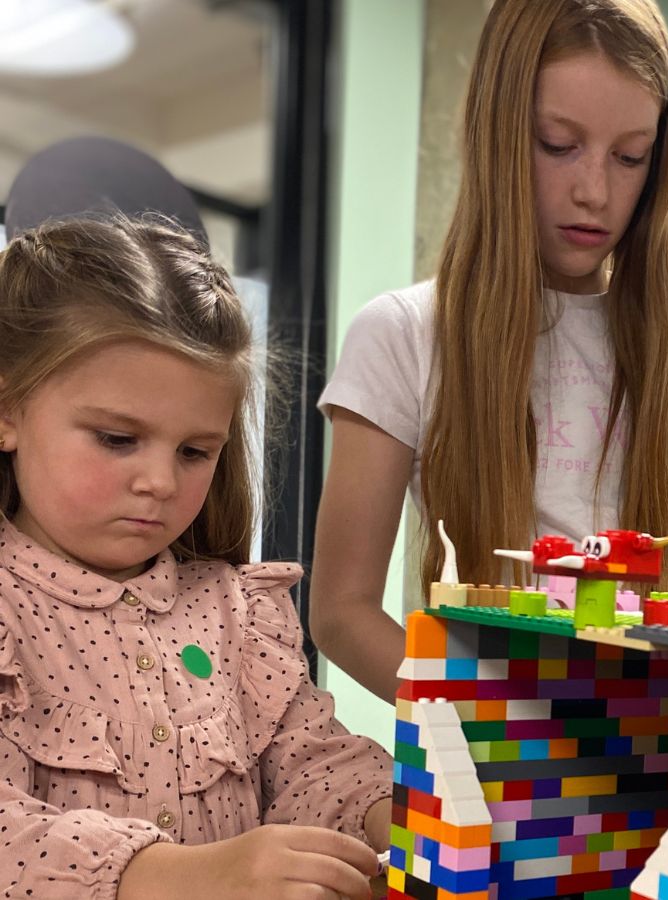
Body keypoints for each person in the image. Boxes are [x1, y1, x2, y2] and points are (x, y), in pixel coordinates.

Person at [313, 0, 668, 701]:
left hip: (643, 768)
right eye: (558, 144)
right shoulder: (401, 335)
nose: (594, 192)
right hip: (480, 762)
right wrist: (498, 723)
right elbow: (340, 613)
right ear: (497, 134)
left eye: (629, 157)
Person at [0, 217, 392, 900]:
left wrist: (397, 821)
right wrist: (169, 876)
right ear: (7, 412)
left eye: (194, 451)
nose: (160, 481)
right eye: (119, 439)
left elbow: (314, 762)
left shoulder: (238, 612)